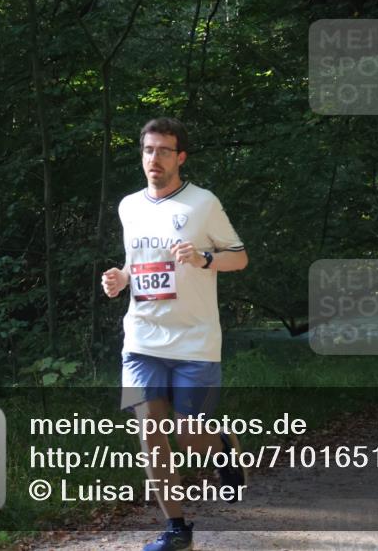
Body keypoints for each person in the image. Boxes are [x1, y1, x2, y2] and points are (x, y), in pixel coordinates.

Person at [101, 117, 249, 551]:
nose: (154, 158)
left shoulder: (203, 203)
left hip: (195, 341)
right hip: (142, 339)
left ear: (180, 156)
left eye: (164, 150)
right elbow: (136, 262)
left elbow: (238, 258)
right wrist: (120, 279)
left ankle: (222, 446)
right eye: (148, 150)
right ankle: (177, 530)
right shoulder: (129, 205)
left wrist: (205, 258)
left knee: (188, 436)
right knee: (150, 431)